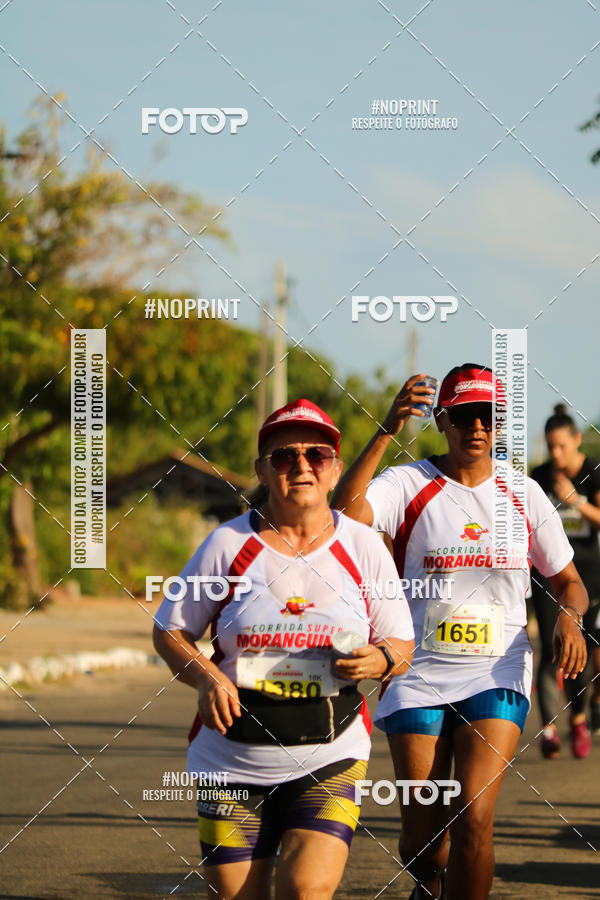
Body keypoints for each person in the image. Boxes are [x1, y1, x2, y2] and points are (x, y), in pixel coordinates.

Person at [332, 365, 588, 900]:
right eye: (465, 416)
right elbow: (345, 514)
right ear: (442, 421)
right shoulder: (408, 483)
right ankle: (428, 882)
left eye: (489, 417)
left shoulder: (524, 494)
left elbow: (569, 581)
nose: (478, 427)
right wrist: (385, 432)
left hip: (496, 670)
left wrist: (570, 617)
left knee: (475, 816)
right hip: (416, 670)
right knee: (422, 842)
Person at [153, 398, 415, 900]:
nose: (301, 465)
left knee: (306, 890)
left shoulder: (363, 547)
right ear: (262, 471)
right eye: (284, 456)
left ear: (334, 470)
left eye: (316, 455)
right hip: (229, 763)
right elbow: (170, 631)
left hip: (330, 755)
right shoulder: (226, 545)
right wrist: (207, 677)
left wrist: (380, 659)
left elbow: (402, 644)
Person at [530, 403, 600, 758]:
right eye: (550, 446)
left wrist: (576, 501)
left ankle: (579, 717)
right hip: (547, 572)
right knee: (548, 645)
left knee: (580, 645)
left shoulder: (592, 471)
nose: (555, 453)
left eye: (561, 446)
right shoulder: (539, 476)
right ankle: (549, 728)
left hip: (587, 571)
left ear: (576, 440)